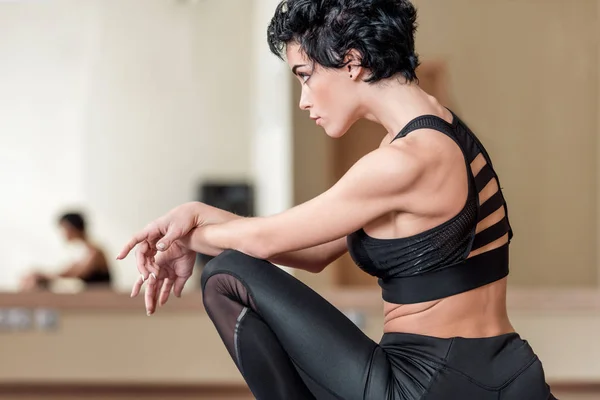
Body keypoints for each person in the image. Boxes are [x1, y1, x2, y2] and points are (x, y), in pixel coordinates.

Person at [116, 1, 556, 398]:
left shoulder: (405, 160)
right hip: (505, 371)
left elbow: (265, 242)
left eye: (306, 77)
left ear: (352, 62)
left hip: (428, 381)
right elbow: (312, 251)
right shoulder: (443, 134)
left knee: (228, 274)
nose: (304, 101)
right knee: (233, 259)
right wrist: (195, 221)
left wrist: (192, 235)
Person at [20, 212, 111, 291]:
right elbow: (66, 272)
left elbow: (76, 273)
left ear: (71, 228)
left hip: (101, 302)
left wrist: (45, 277)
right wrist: (42, 275)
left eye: (64, 229)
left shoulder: (94, 251)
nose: (63, 233)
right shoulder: (84, 252)